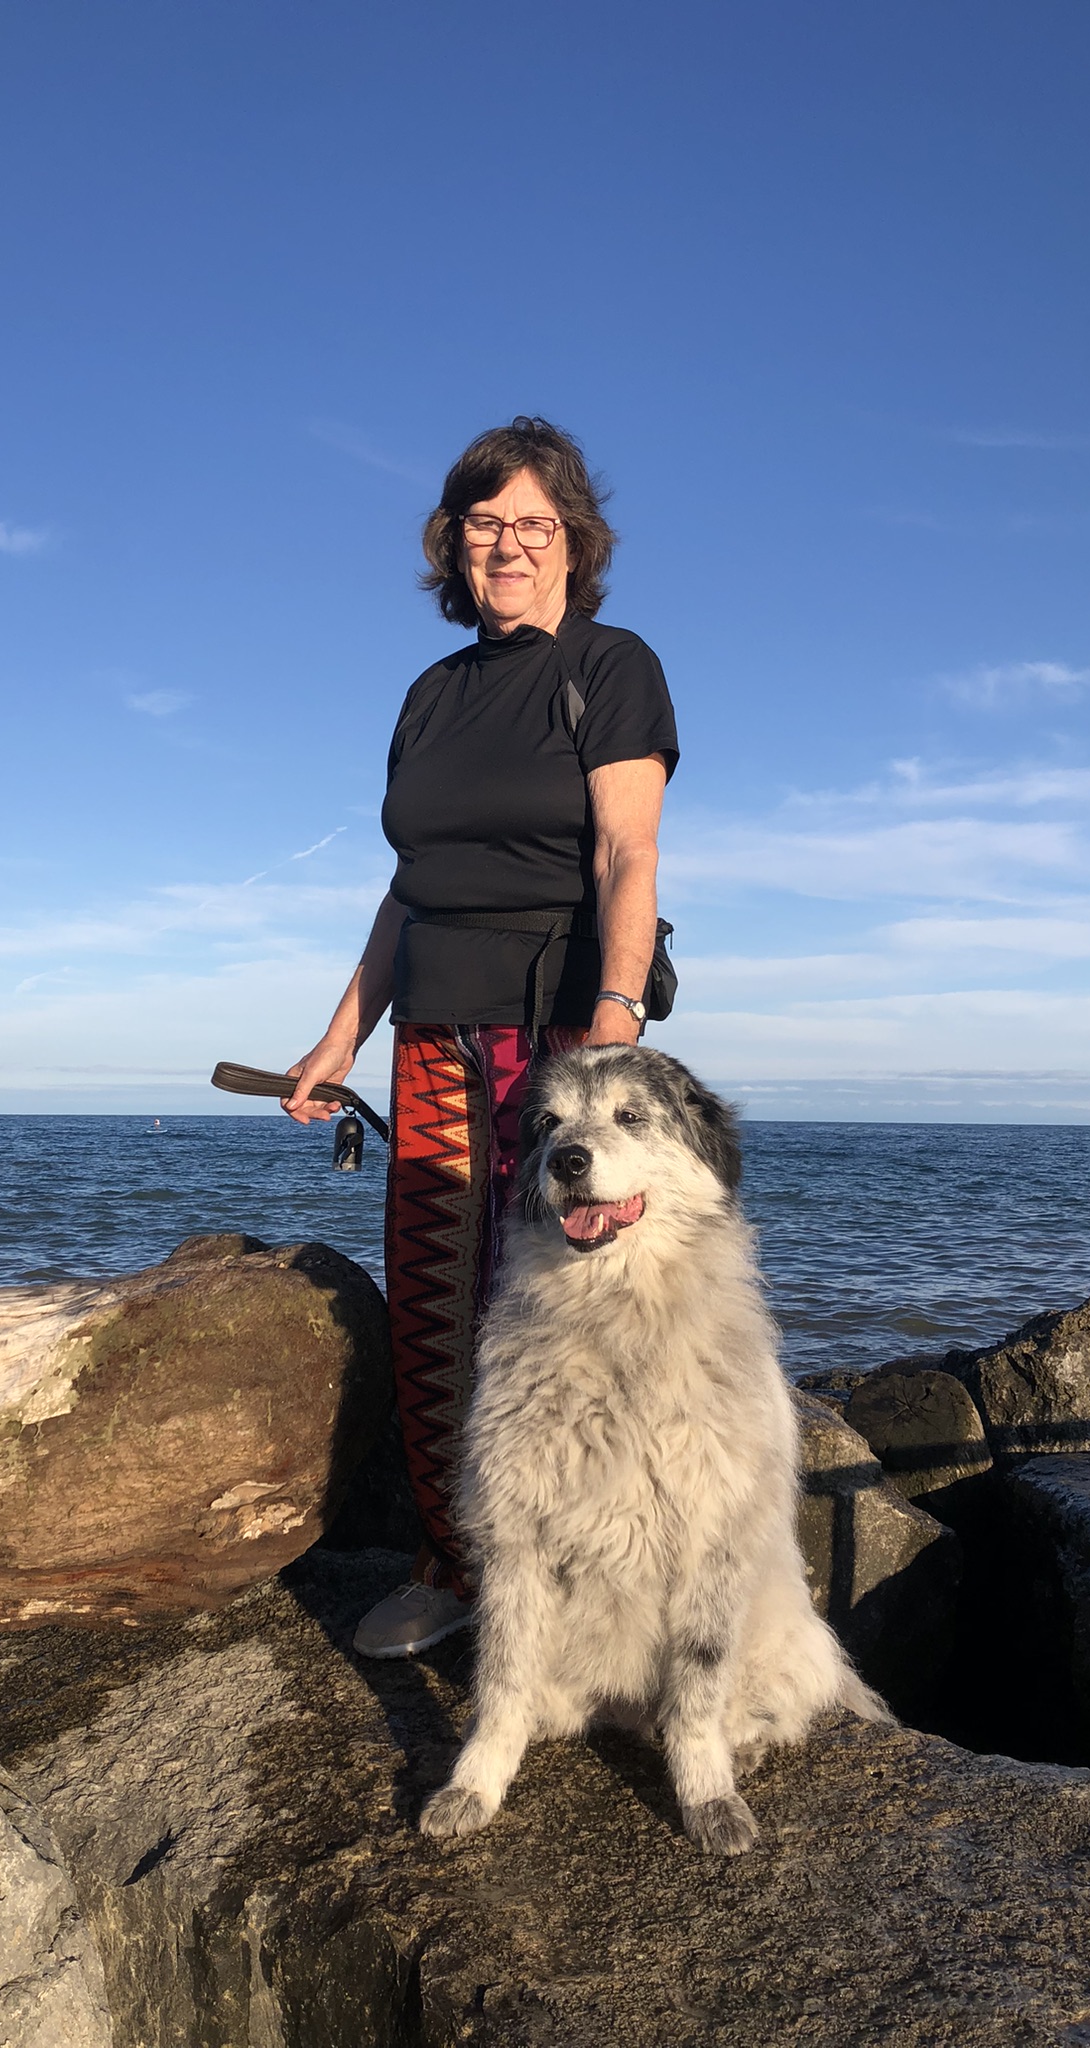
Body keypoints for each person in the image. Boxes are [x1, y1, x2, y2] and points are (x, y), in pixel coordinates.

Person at [285, 416, 679, 1658]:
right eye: (483, 524)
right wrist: (338, 1037)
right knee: (436, 1312)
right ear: (452, 546)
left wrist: (613, 1024)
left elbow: (627, 851)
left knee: (578, 1306)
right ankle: (459, 1565)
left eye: (531, 524)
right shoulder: (429, 695)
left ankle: (607, 1581)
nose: (505, 546)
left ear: (573, 539)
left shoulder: (610, 666)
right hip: (435, 1035)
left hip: (560, 1034)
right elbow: (407, 887)